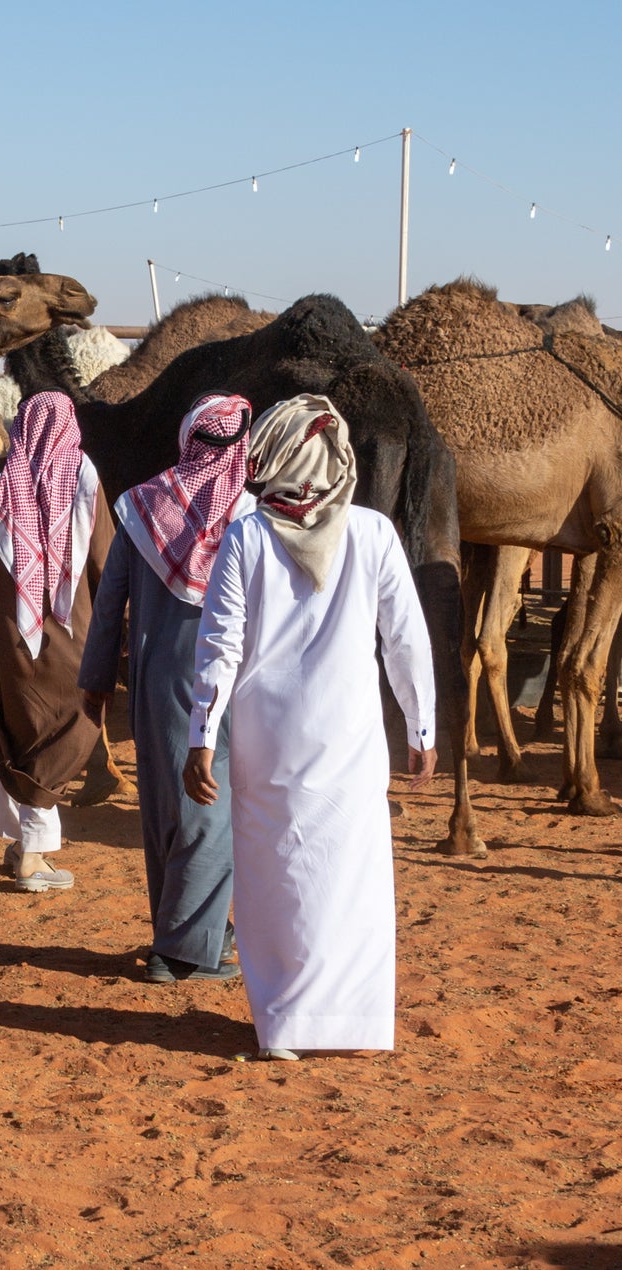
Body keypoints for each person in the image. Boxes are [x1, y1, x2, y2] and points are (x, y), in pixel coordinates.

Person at [184, 395, 435, 1060]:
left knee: (278, 880)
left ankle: (284, 1026)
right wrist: (422, 726)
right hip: (351, 737)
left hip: (266, 739)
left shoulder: (245, 534)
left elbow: (219, 646)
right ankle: (352, 1026)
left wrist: (200, 737)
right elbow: (404, 640)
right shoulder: (373, 533)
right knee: (347, 881)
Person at [80, 394, 253, 982]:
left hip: (153, 679)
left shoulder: (140, 506)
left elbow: (109, 608)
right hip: (224, 679)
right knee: (210, 807)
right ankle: (181, 951)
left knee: (163, 806)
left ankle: (190, 932)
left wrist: (96, 682)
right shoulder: (250, 514)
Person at [0, 391, 111, 892]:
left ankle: (24, 843)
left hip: (4, 632)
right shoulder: (85, 481)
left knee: (14, 726)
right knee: (72, 725)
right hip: (72, 631)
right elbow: (106, 560)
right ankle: (34, 858)